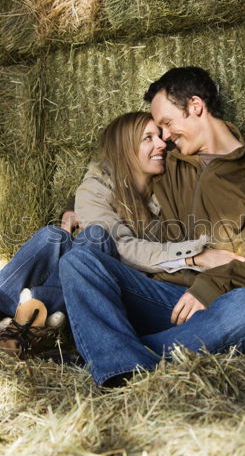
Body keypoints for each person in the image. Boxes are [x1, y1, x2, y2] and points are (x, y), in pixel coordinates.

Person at [58, 67, 245, 387]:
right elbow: (113, 171)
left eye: (165, 124)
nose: (162, 137)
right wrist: (75, 206)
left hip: (223, 303)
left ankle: (119, 357)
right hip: (161, 296)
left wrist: (214, 284)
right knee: (80, 261)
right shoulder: (167, 161)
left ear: (195, 106)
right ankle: (121, 354)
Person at [0, 111, 222, 358]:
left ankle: (31, 310)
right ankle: (30, 314)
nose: (162, 143)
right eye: (148, 138)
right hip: (100, 273)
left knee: (88, 238)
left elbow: (213, 153)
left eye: (160, 136)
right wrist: (195, 256)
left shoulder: (170, 185)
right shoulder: (98, 184)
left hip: (118, 285)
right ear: (124, 149)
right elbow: (122, 245)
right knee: (56, 237)